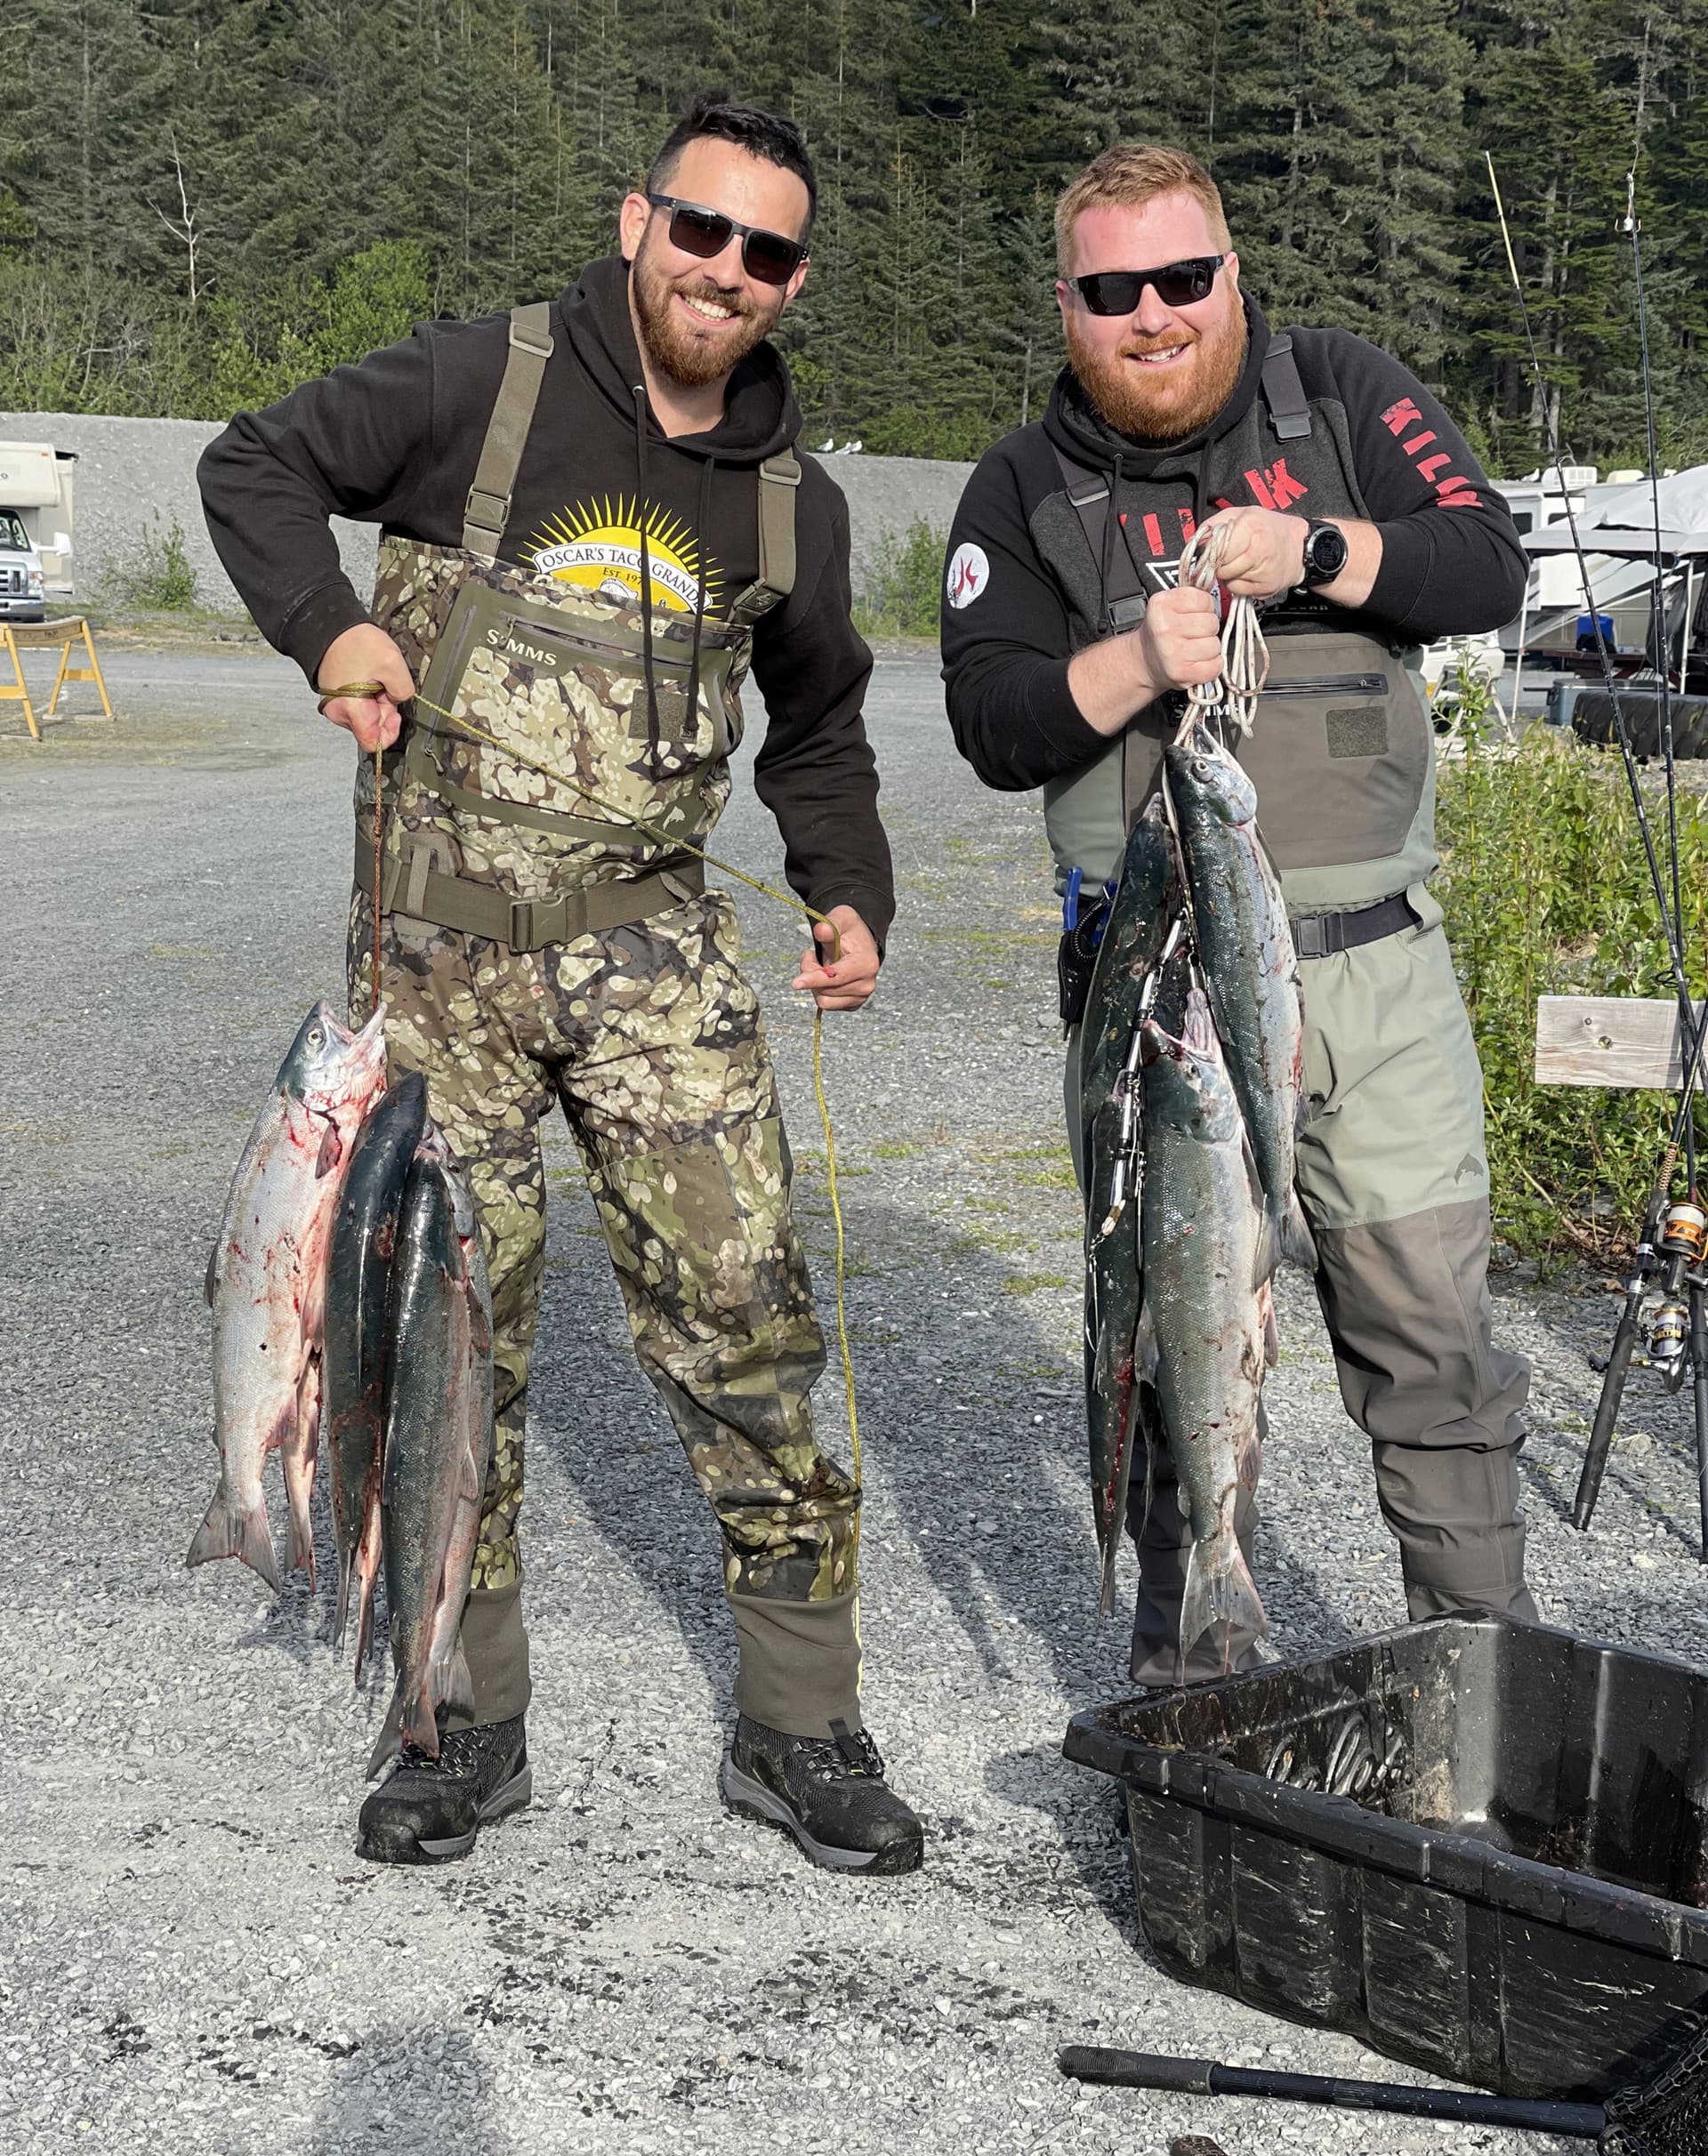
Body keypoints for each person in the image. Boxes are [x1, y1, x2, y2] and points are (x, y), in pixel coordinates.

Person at [198, 95, 923, 1873]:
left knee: (744, 1313)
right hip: (433, 966)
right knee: (448, 1334)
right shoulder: (481, 387)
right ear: (636, 221)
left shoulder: (787, 501)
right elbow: (251, 468)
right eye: (700, 231)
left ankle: (803, 1722)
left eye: (764, 253)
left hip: (656, 952)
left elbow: (819, 727)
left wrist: (850, 894)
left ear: (794, 281)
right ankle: (454, 1712)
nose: (724, 273)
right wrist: (332, 628)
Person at [940, 141, 1536, 1685]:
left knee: (1438, 1350)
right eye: (1113, 288)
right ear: (1069, 308)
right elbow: (995, 723)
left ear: (1233, 280)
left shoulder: (1336, 394)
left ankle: (1481, 1683)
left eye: (1184, 278)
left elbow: (1487, 562)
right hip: (1156, 1004)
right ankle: (1190, 1658)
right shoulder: (1022, 484)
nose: (1154, 313)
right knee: (1175, 1329)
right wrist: (1142, 659)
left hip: (1374, 982)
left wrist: (1323, 551)